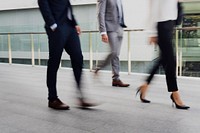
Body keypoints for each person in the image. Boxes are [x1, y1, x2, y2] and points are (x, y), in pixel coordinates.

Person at [38, 0, 95, 110]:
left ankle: (81, 97)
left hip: (69, 27)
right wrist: (53, 25)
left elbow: (67, 6)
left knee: (78, 57)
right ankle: (52, 99)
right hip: (57, 27)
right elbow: (42, 3)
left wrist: (75, 23)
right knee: (54, 61)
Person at [136, 0, 190, 110]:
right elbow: (153, 9)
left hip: (170, 24)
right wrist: (152, 33)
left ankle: (145, 85)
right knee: (170, 61)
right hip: (161, 26)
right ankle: (175, 94)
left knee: (163, 59)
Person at [96, 0, 130, 87]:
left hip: (119, 28)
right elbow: (100, 13)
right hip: (110, 28)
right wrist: (103, 32)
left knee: (116, 54)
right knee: (114, 52)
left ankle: (116, 79)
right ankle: (98, 67)